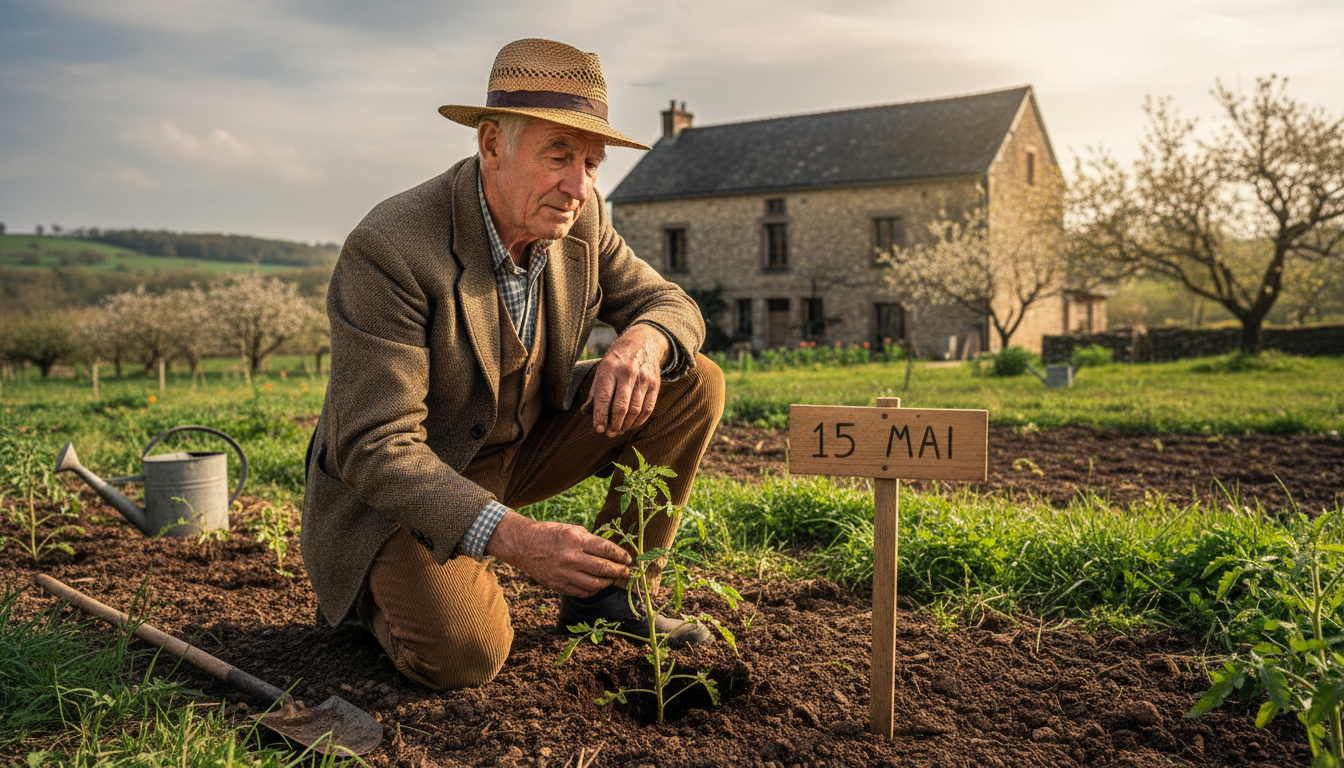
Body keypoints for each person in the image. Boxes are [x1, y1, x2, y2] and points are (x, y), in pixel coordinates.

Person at [301, 38, 725, 690]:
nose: (578, 185)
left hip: (517, 448)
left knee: (691, 379)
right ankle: (373, 601)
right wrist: (517, 539)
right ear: (492, 144)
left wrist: (644, 341)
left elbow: (671, 305)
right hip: (401, 490)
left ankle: (611, 598)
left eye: (591, 162)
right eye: (558, 155)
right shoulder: (391, 248)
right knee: (465, 656)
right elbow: (375, 448)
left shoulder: (581, 219)